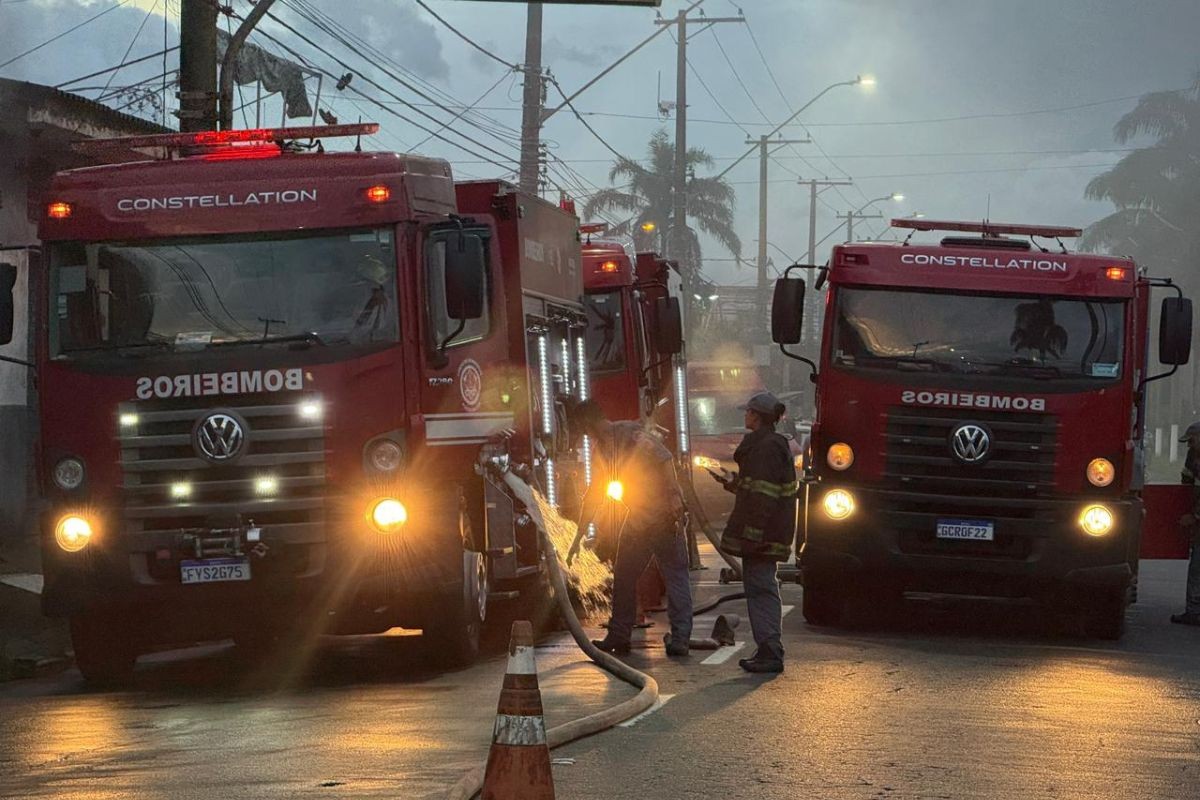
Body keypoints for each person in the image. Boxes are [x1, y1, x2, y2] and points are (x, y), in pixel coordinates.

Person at [567, 400, 693, 656]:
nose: (580, 432)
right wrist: (578, 535)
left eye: (580, 426)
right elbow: (594, 495)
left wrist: (673, 496)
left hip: (663, 517)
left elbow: (664, 459)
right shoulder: (601, 449)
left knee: (674, 574)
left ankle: (679, 638)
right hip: (638, 520)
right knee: (624, 575)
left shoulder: (630, 433)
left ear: (586, 423)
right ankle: (619, 635)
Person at [710, 391, 798, 673]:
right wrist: (732, 481)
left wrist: (752, 534)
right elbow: (757, 487)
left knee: (761, 589)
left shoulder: (766, 448)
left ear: (757, 417)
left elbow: (764, 496)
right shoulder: (767, 446)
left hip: (763, 535)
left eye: (748, 412)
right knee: (760, 587)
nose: (744, 416)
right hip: (767, 533)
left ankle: (770, 651)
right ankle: (768, 648)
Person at [1171, 420, 1200, 626]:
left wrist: (1195, 516)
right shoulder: (1193, 457)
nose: (1189, 446)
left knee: (1198, 566)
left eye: (1191, 441)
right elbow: (1187, 482)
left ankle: (1194, 611)